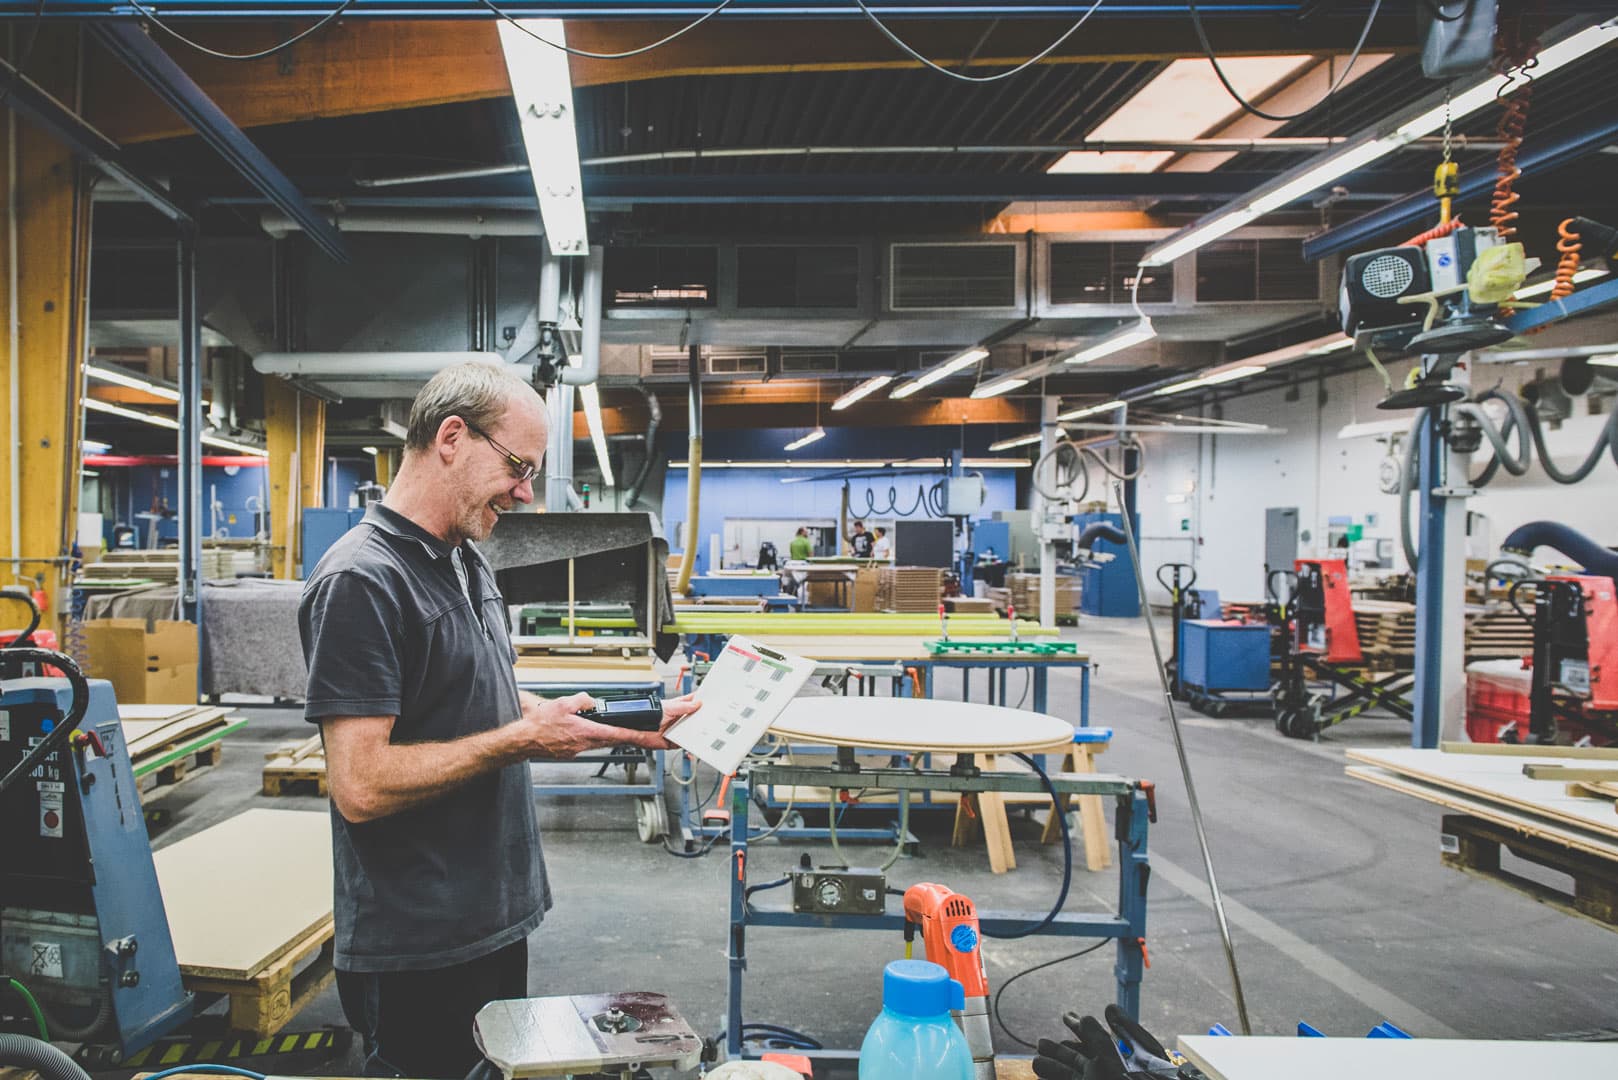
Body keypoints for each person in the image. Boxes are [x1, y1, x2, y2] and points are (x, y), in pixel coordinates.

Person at [298, 362, 700, 1079]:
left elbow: (471, 688)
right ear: (451, 437)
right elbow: (359, 784)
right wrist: (524, 740)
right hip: (418, 939)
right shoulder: (363, 581)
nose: (523, 490)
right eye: (518, 466)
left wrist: (590, 720)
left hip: (488, 915)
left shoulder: (463, 556)